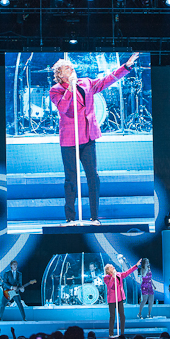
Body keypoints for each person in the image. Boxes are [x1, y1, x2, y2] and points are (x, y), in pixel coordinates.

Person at [49, 53, 140, 224]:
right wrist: (70, 88)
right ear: (60, 73)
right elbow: (63, 107)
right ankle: (70, 217)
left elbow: (106, 80)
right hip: (69, 140)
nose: (72, 68)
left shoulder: (86, 82)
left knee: (93, 176)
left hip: (88, 137)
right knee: (71, 179)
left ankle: (94, 217)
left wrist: (126, 66)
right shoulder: (56, 90)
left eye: (71, 66)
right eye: (67, 67)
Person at [104, 258, 141, 337]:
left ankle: (122, 333)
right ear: (108, 270)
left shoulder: (119, 274)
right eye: (111, 267)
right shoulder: (106, 277)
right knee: (112, 316)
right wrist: (113, 276)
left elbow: (127, 272)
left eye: (112, 266)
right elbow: (110, 286)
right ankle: (111, 334)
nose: (113, 267)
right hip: (112, 300)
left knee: (122, 316)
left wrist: (136, 266)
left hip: (119, 298)